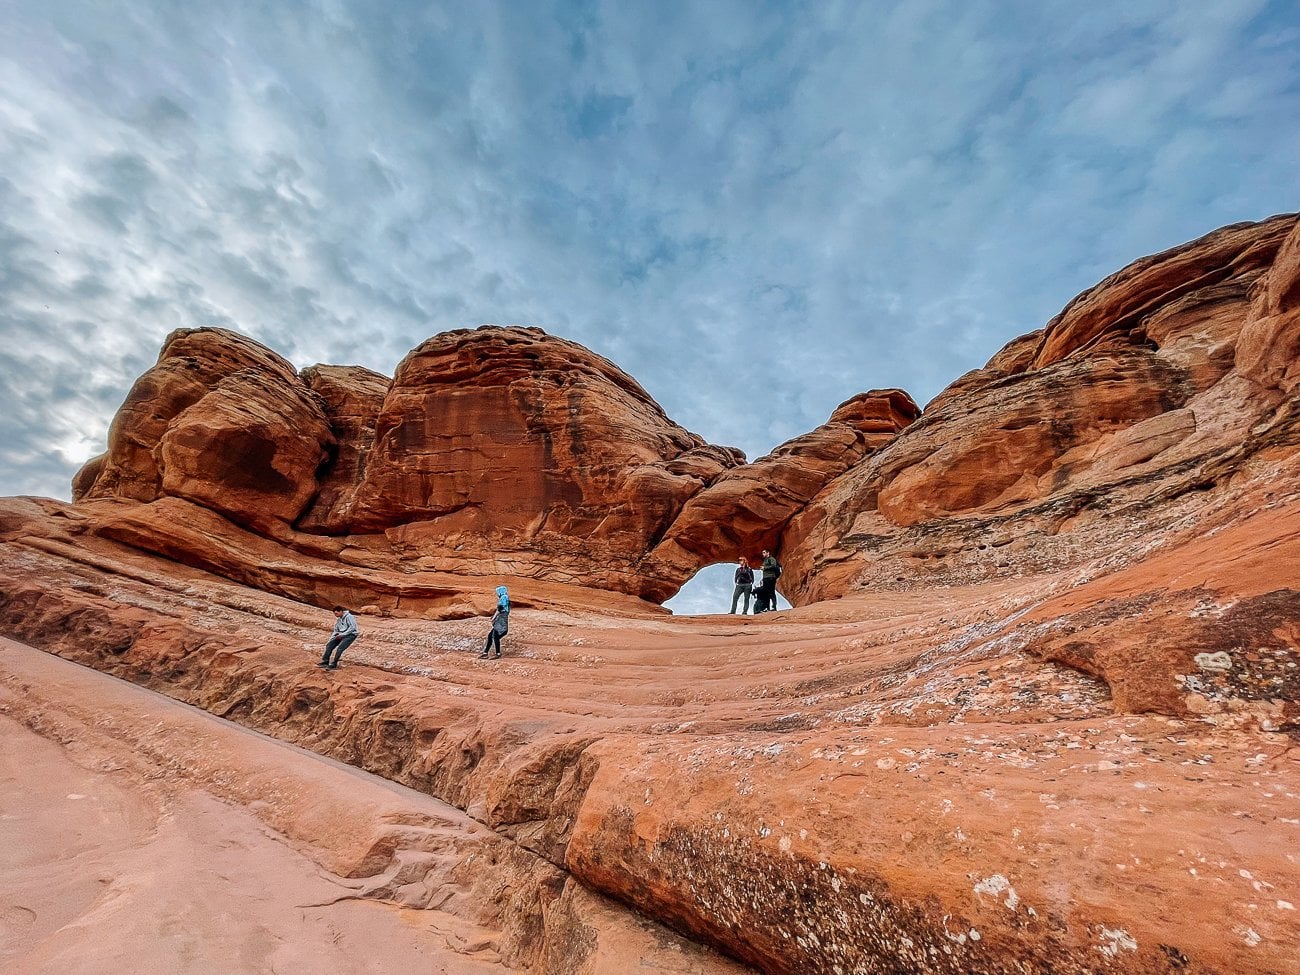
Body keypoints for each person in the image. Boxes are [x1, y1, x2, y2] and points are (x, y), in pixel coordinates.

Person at [479, 585, 510, 659]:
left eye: (498, 592)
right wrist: (494, 616)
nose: (497, 594)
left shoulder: (504, 597)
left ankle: (497, 653)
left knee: (495, 636)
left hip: (501, 620)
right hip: (501, 619)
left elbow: (500, 609)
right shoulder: (504, 597)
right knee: (490, 636)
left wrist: (494, 617)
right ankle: (485, 653)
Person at [758, 549, 782, 613]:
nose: (763, 554)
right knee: (766, 593)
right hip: (766, 578)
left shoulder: (771, 559)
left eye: (764, 552)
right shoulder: (765, 560)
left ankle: (774, 607)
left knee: (771, 592)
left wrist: (765, 568)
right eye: (762, 553)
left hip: (771, 578)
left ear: (768, 553)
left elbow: (773, 566)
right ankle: (766, 608)